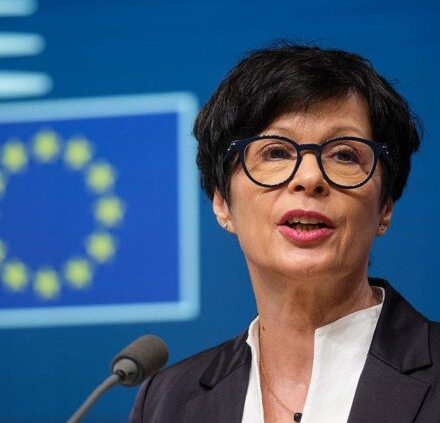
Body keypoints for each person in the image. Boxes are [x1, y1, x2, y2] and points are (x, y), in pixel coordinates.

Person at [130, 43, 440, 422]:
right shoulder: (168, 402)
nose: (309, 177)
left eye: (344, 155)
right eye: (276, 153)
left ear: (385, 208)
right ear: (222, 203)